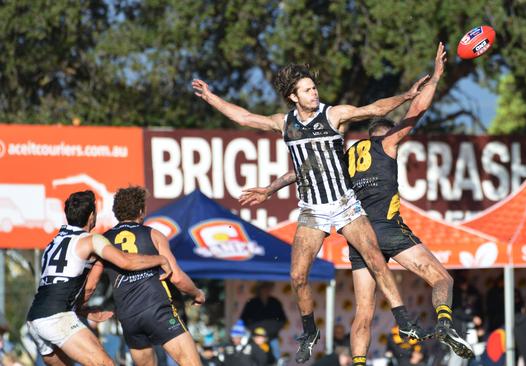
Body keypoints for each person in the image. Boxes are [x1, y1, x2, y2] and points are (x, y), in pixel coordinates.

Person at [239, 42, 473, 364]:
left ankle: (359, 362)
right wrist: (435, 77)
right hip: (386, 230)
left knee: (364, 310)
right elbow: (415, 112)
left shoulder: (345, 156)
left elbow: (302, 172)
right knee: (441, 278)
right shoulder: (386, 145)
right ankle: (445, 323)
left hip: (355, 234)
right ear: (384, 135)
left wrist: (269, 188)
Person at [193, 59, 432, 363]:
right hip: (312, 209)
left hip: (345, 204)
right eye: (307, 90)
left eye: (314, 88)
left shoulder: (333, 115)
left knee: (375, 258)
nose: (314, 93)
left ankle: (404, 320)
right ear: (293, 96)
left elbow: (374, 109)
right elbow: (244, 117)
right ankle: (310, 331)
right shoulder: (285, 122)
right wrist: (211, 96)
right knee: (297, 275)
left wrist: (407, 96)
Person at [25, 190, 172, 366]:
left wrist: (83, 311)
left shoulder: (53, 243)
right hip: (57, 318)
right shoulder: (91, 240)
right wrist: (160, 259)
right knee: (105, 363)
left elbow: (58, 286)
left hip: (35, 318)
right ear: (92, 216)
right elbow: (124, 262)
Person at [94, 186, 206, 366]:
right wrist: (197, 293)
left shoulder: (102, 241)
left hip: (129, 317)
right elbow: (176, 278)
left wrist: (83, 308)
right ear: (141, 211)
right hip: (157, 310)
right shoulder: (153, 234)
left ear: (116, 211)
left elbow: (91, 284)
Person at [240, 282, 287, 360]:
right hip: (255, 338)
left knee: (276, 359)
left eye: (268, 288)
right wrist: (255, 331)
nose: (266, 290)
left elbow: (283, 319)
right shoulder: (251, 302)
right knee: (251, 358)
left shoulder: (275, 302)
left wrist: (272, 330)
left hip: (271, 337)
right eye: (264, 288)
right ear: (259, 290)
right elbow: (243, 319)